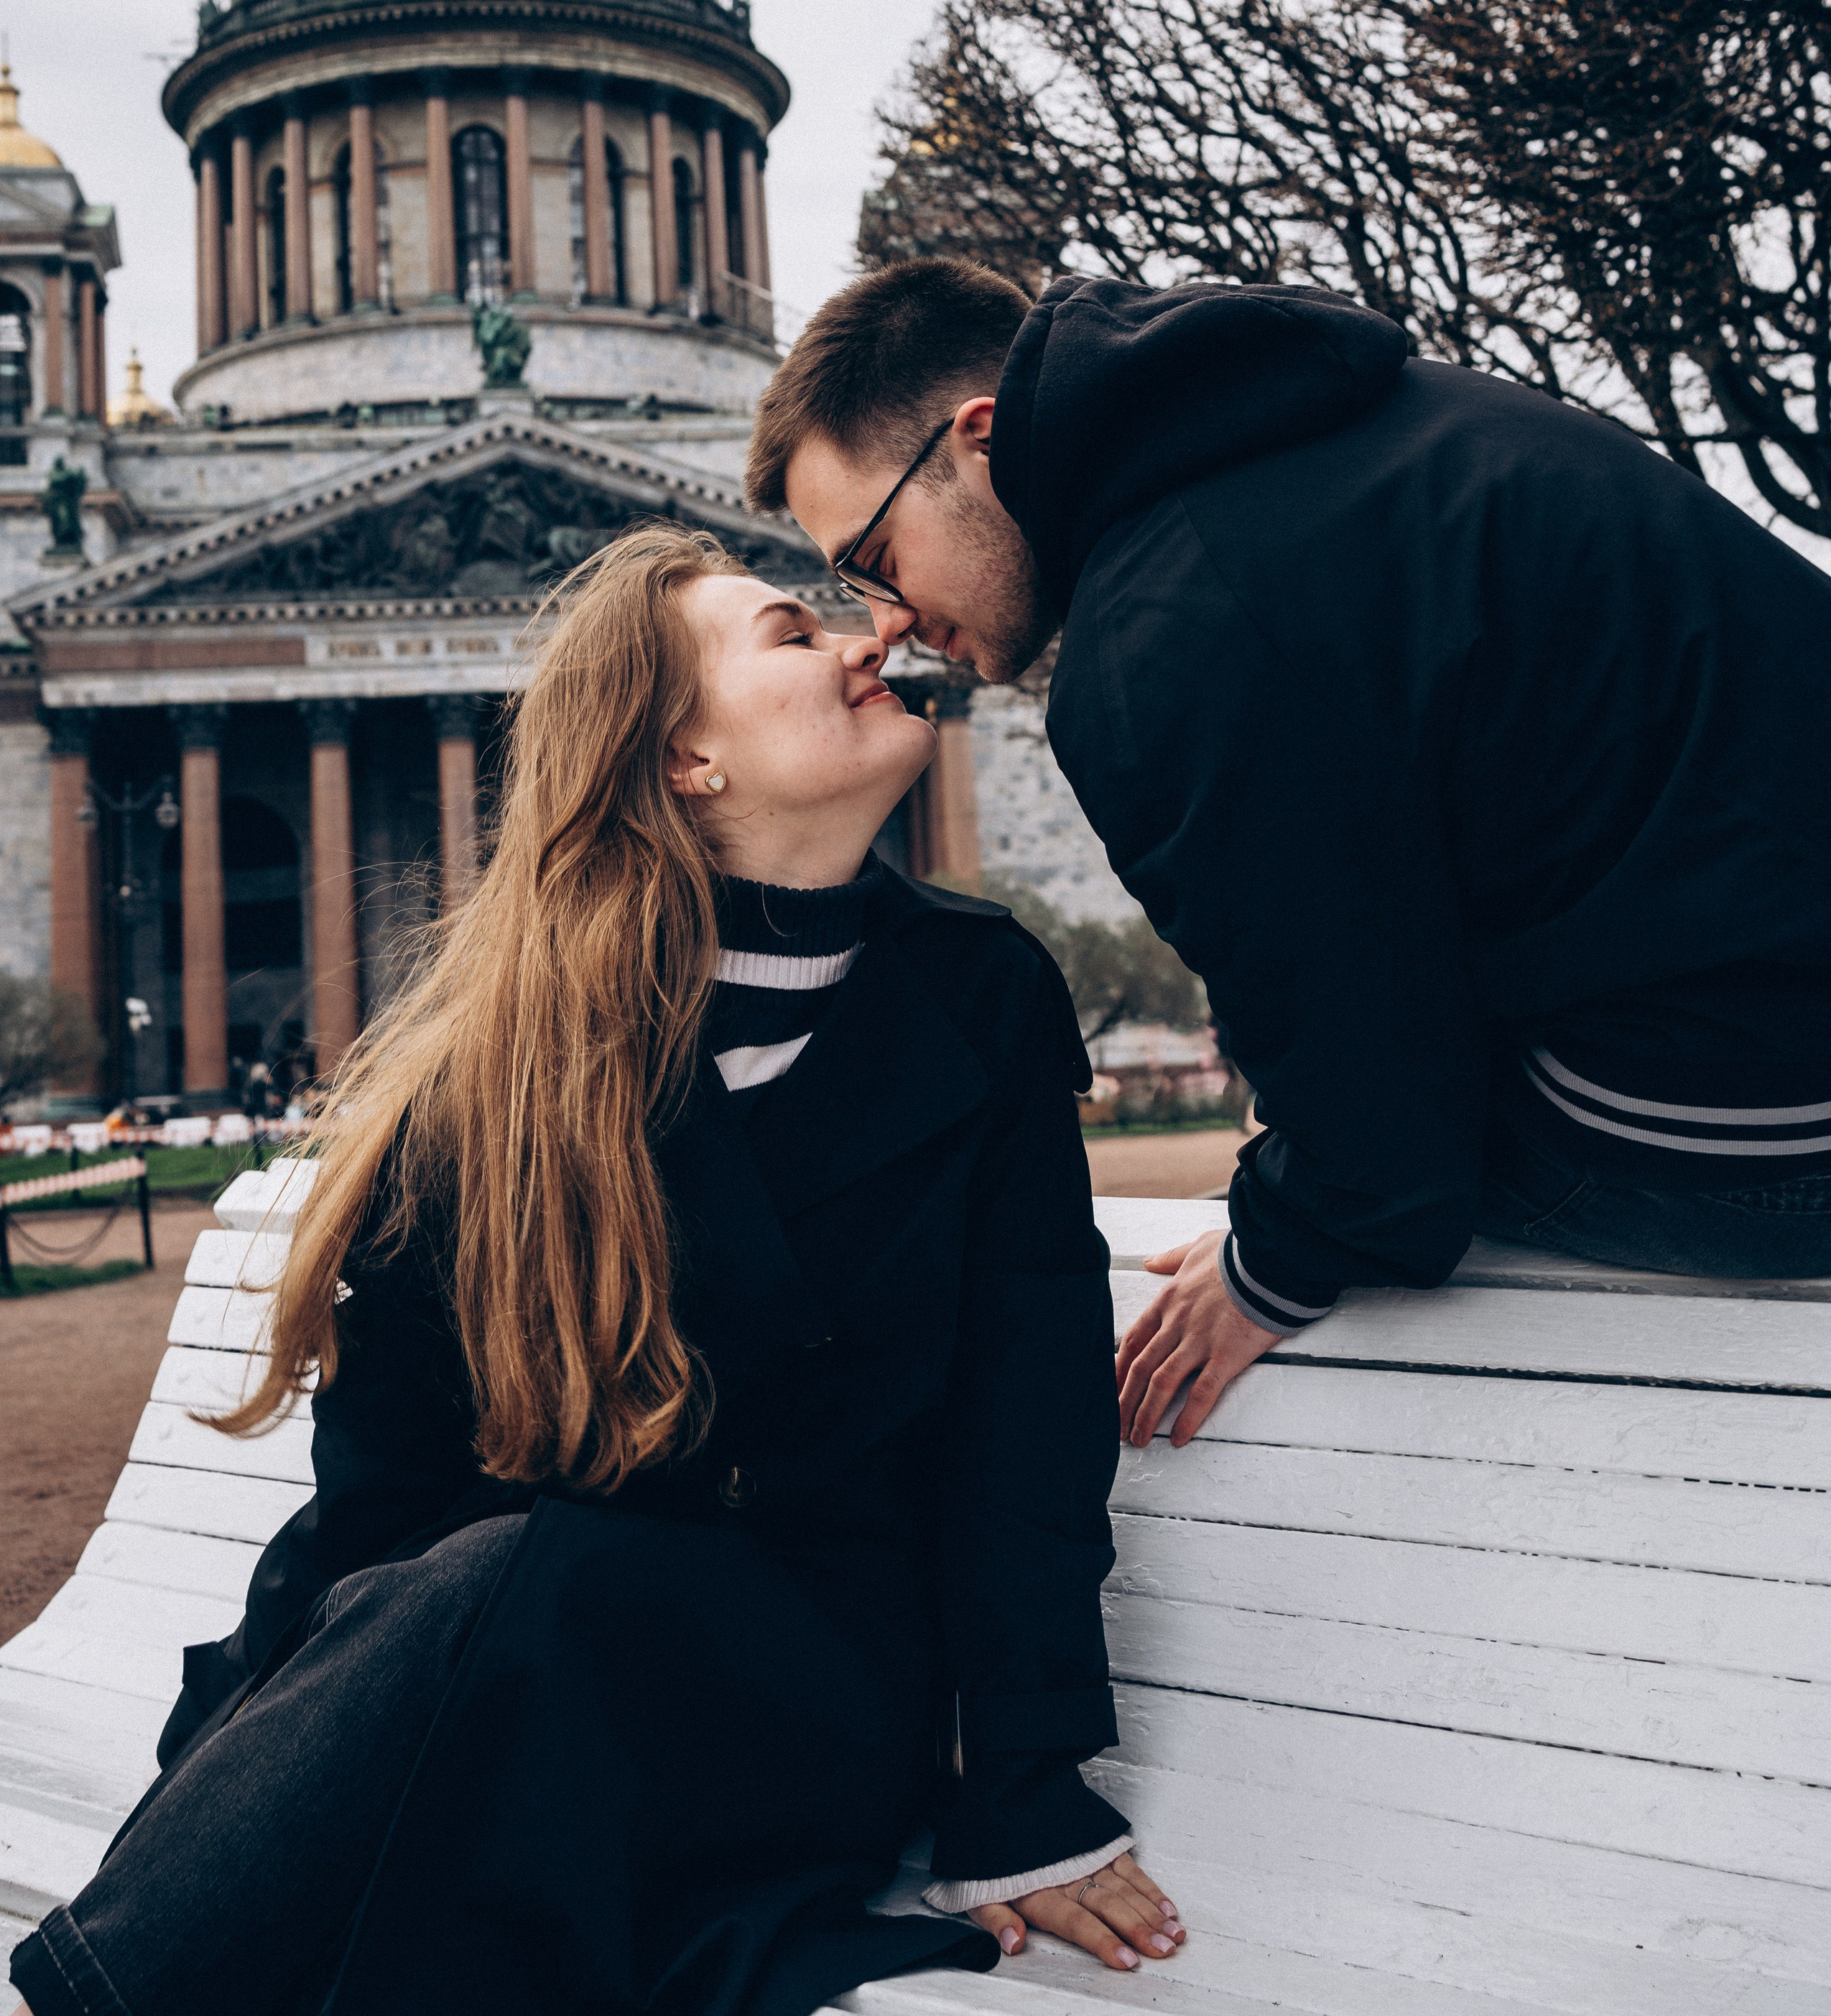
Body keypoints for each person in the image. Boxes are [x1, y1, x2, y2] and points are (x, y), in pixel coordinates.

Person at [9, 525, 1183, 2016]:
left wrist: (1024, 1783)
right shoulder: (509, 1063)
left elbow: (1026, 1427)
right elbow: (388, 1483)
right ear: (688, 757)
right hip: (525, 1687)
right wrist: (251, 1736)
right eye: (786, 631)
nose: (860, 637)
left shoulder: (982, 993)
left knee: (534, 1588)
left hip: (810, 1683)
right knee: (500, 1651)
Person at [751, 259, 1831, 1451]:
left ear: (982, 438)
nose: (884, 624)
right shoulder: (1333, 416)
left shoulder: (1162, 643)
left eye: (875, 560)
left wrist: (1275, 1254)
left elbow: (1387, 1143)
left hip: (1772, 1113)